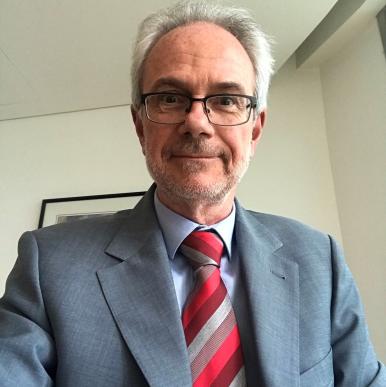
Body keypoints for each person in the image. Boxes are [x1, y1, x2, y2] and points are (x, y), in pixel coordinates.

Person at [0, 1, 385, 386]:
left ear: (254, 130)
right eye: (170, 98)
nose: (197, 123)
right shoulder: (48, 266)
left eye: (227, 100)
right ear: (140, 126)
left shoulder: (320, 261)